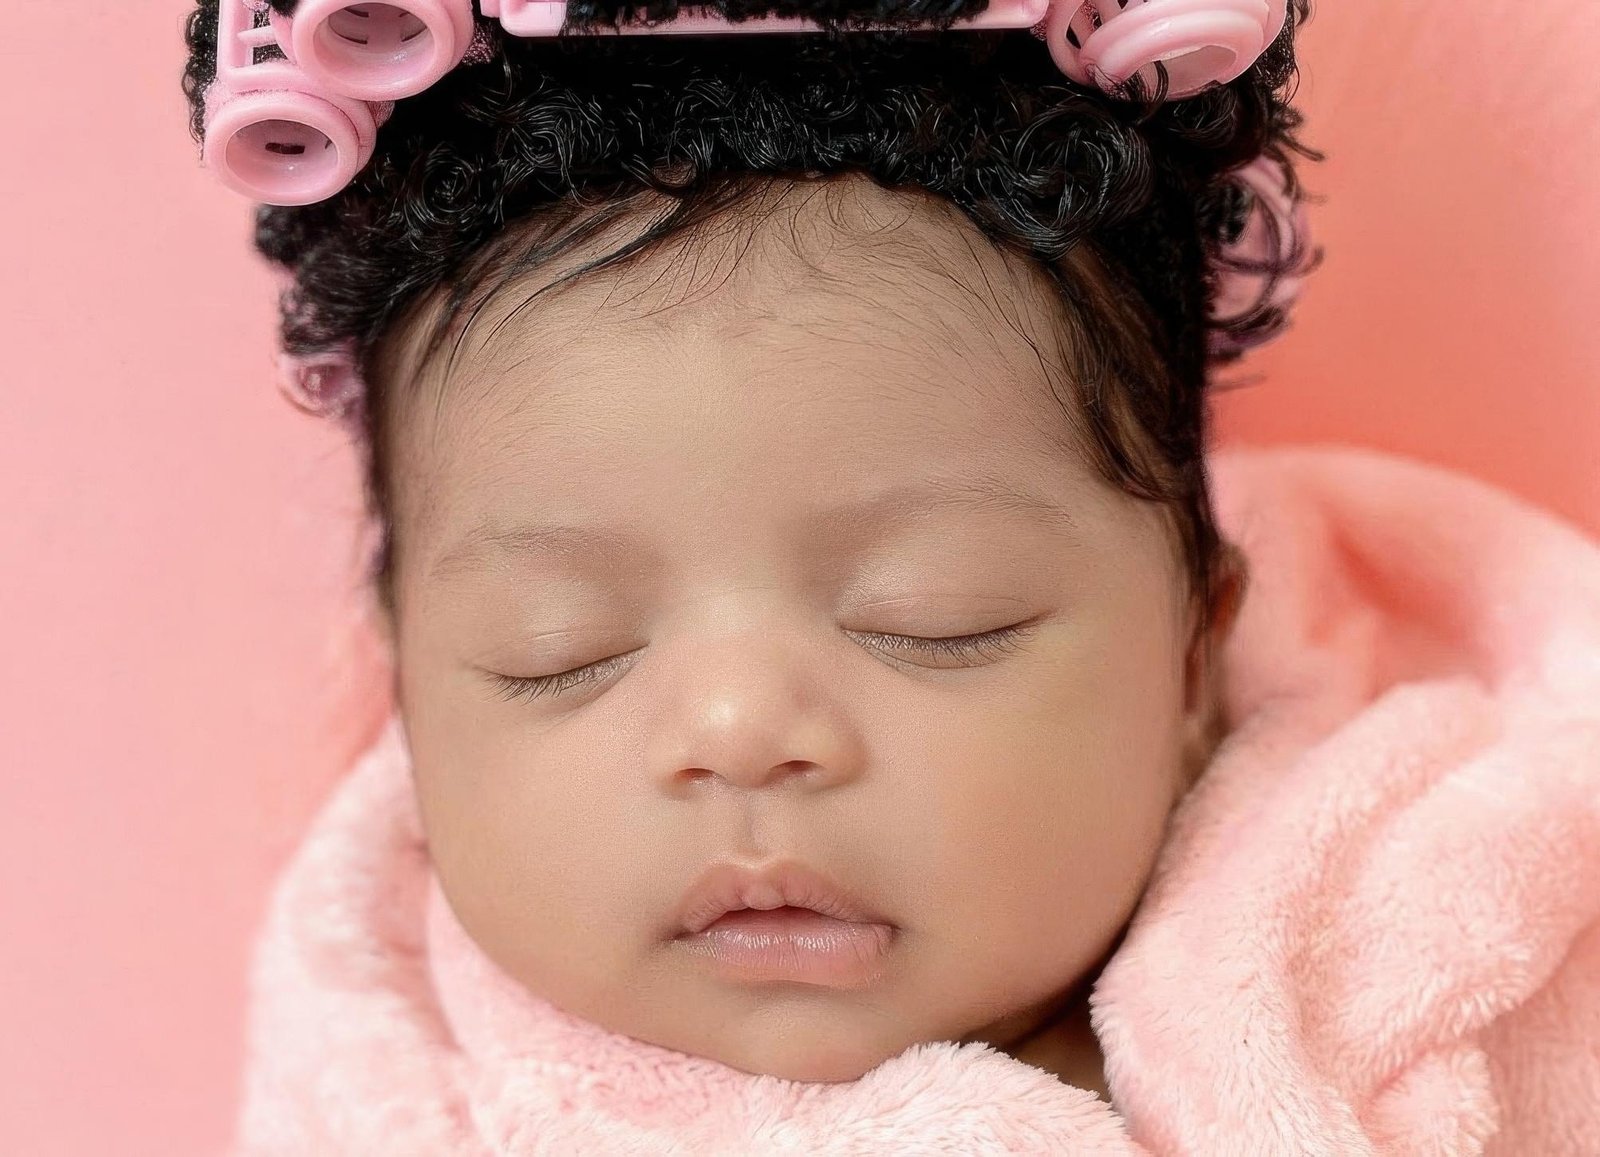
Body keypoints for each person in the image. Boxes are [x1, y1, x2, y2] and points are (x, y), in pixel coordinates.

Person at [183, 2, 1600, 1152]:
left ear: (1191, 657)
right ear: (414, 693)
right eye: (564, 646)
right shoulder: (391, 1079)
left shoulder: (1434, 913)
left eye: (935, 617)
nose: (742, 733)